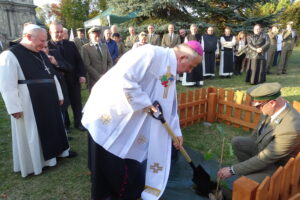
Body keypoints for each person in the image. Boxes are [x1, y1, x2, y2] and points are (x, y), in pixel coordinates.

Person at [81, 41, 203, 200]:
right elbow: (123, 79)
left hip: (130, 120)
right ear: (183, 58)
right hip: (111, 117)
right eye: (191, 66)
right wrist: (146, 103)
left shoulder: (170, 68)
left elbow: (168, 103)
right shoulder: (150, 53)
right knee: (109, 169)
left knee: (125, 166)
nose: (189, 71)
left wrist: (177, 132)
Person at [0, 24, 75, 178]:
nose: (44, 44)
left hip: (50, 100)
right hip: (29, 103)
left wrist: (59, 95)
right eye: (41, 40)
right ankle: (38, 163)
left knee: (53, 127)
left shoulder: (40, 53)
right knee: (34, 132)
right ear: (28, 36)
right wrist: (14, 107)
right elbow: (7, 85)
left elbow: (52, 75)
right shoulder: (10, 55)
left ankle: (56, 156)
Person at [218, 82, 300, 186]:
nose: (258, 109)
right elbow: (256, 136)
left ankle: (253, 179)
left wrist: (232, 170)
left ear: (272, 103)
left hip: (278, 167)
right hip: (265, 153)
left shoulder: (290, 128)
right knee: (238, 142)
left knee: (241, 185)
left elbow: (266, 158)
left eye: (258, 106)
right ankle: (252, 172)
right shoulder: (272, 109)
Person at [48, 22, 87, 131]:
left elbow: (79, 61)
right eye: (57, 32)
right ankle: (65, 125)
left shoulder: (70, 44)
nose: (60, 34)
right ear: (50, 32)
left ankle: (79, 123)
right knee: (62, 104)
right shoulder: (47, 46)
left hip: (73, 79)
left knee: (77, 102)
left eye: (61, 32)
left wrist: (82, 75)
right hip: (59, 82)